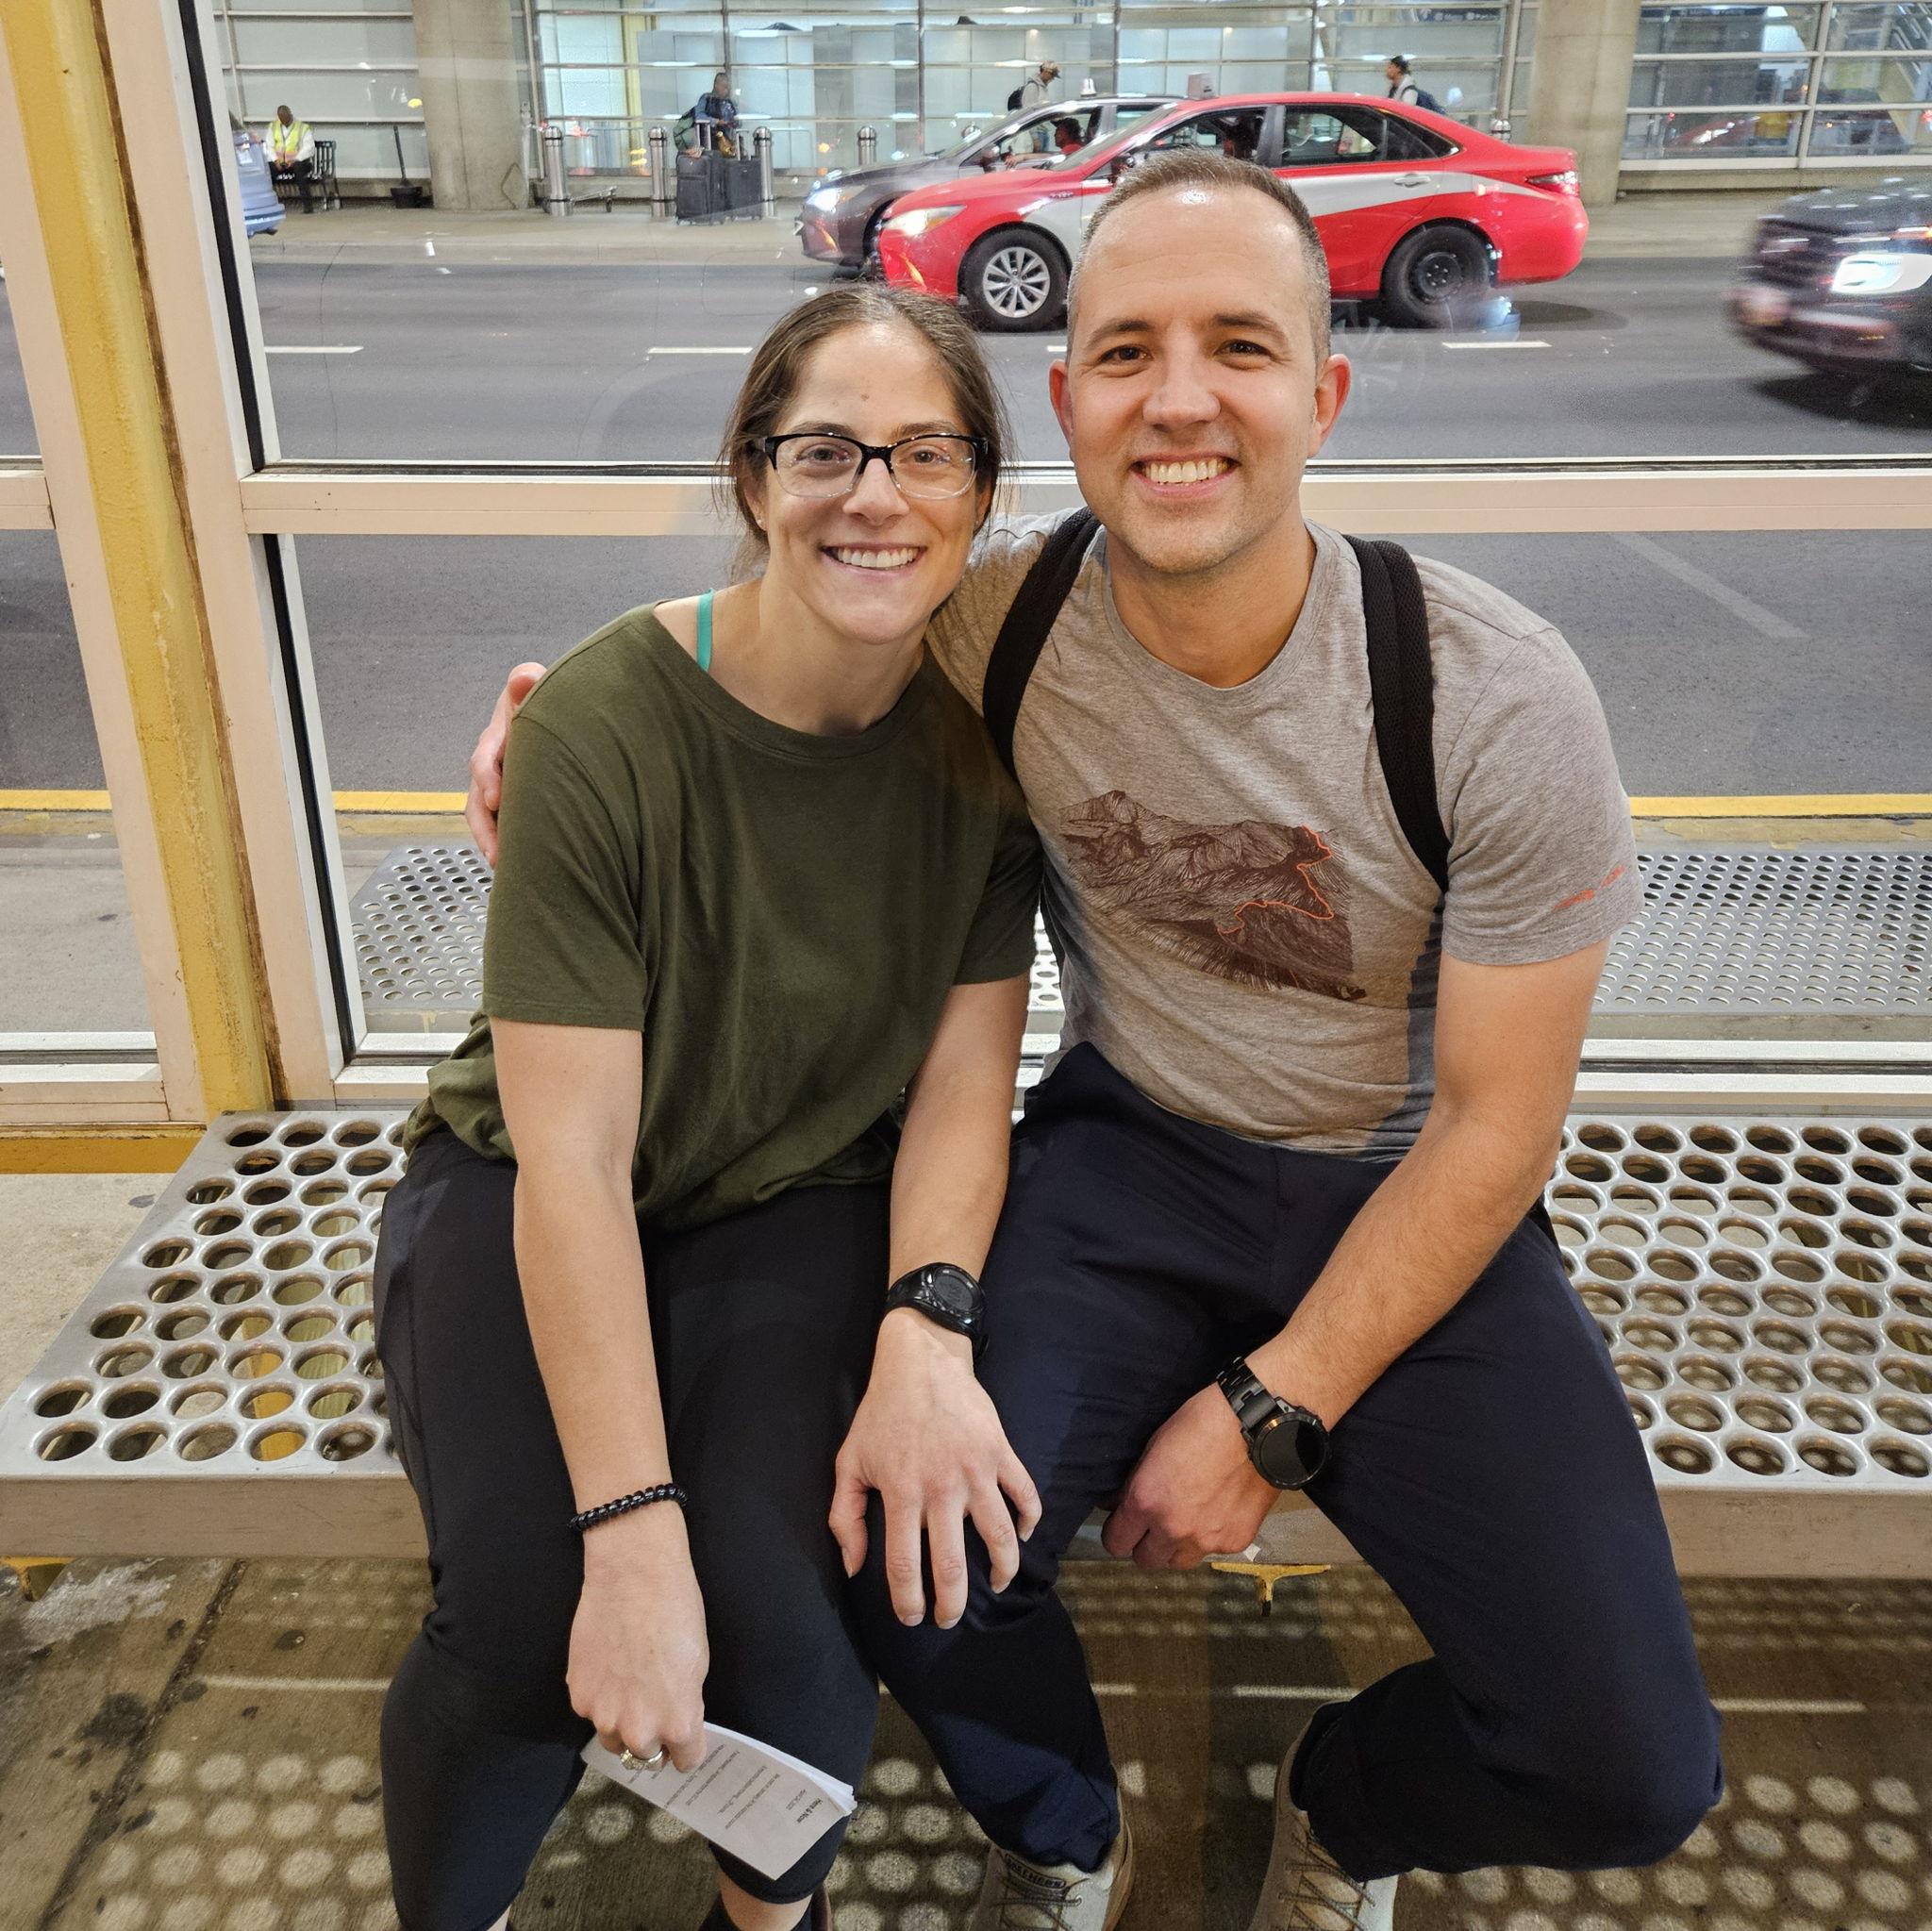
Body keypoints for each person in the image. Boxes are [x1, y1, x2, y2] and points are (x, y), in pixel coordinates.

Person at [468, 152, 1724, 1931]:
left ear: (1324, 391)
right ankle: (1065, 1825)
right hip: (1129, 1153)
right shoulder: (999, 620)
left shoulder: (1493, 698)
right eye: (1125, 349)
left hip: (1406, 1192)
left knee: (1632, 1767)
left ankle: (1343, 1803)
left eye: (1238, 346)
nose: (1181, 399)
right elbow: (762, 651)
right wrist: (551, 728)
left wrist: (1272, 1408)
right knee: (913, 1552)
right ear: (1061, 402)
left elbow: (1497, 1128)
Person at [375, 285, 1049, 1931]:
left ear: (977, 490)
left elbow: (967, 1078)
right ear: (752, 477)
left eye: (925, 454)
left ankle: (767, 1919)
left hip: (798, 1193)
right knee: (531, 1608)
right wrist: (626, 1531)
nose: (873, 496)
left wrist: (923, 1323)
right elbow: (575, 1160)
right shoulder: (606, 719)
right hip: (524, 1176)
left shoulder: (988, 744)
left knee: (782, 1611)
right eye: (823, 450)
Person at [269, 104, 316, 213]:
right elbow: (269, 146)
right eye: (281, 119)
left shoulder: (302, 128)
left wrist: (295, 159)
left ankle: (308, 206)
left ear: (290, 115)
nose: (284, 122)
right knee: (268, 172)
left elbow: (309, 148)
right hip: (281, 162)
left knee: (300, 172)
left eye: (285, 118)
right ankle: (270, 204)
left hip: (299, 162)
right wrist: (275, 160)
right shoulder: (274, 128)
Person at [693, 71, 739, 154]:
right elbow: (698, 116)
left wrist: (733, 122)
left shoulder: (731, 102)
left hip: (728, 142)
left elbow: (738, 121)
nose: (726, 90)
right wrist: (715, 121)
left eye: (728, 87)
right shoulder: (706, 99)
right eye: (724, 87)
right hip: (710, 142)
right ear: (716, 85)